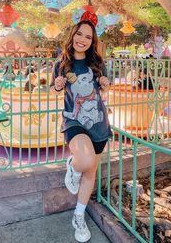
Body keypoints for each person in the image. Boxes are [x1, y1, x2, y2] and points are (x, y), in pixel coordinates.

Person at [50, 19, 112, 242]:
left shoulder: (97, 63)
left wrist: (105, 83)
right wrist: (58, 85)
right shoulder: (62, 64)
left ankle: (79, 215)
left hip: (98, 122)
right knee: (84, 161)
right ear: (72, 35)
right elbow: (56, 89)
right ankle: (72, 167)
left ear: (92, 41)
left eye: (88, 36)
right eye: (79, 34)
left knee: (91, 171)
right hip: (73, 121)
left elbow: (104, 87)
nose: (83, 39)